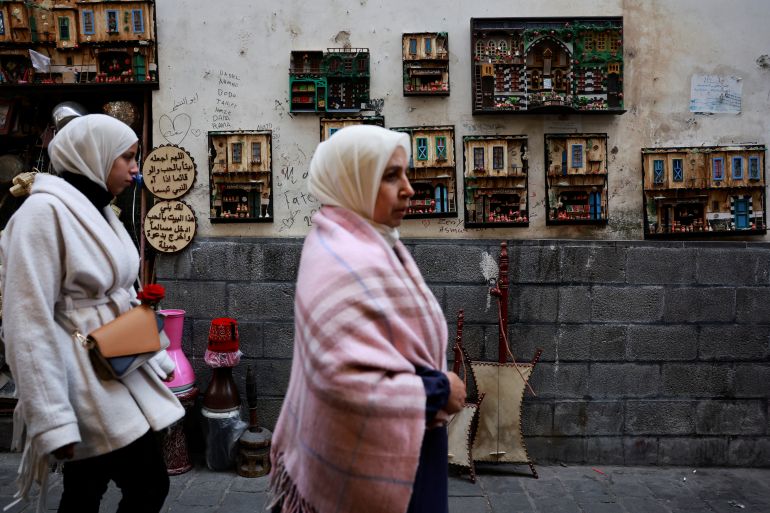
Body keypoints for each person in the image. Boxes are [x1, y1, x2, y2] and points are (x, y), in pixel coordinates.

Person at [268, 125, 466, 513]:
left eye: (405, 174)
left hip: (406, 443)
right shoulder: (341, 260)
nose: (409, 189)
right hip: (381, 460)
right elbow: (340, 380)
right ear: (352, 182)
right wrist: (439, 391)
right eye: (391, 176)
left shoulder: (363, 242)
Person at [0, 113, 184, 512]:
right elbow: (26, 322)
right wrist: (51, 418)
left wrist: (150, 350)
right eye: (127, 157)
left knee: (87, 489)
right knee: (147, 484)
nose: (135, 169)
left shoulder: (97, 209)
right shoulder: (41, 214)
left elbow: (116, 293)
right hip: (81, 381)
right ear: (94, 155)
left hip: (113, 367)